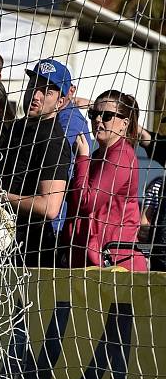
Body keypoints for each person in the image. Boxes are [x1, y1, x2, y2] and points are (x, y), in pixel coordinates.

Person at [0, 59, 71, 267]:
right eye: (33, 86)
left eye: (47, 92)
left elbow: (50, 207)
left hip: (31, 253)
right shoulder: (17, 127)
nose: (36, 96)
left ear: (60, 102)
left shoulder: (53, 142)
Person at [60, 90, 147, 271]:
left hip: (118, 266)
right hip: (94, 262)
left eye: (107, 116)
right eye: (94, 114)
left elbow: (86, 202)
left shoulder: (121, 155)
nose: (98, 120)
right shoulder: (100, 154)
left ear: (124, 124)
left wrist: (82, 158)